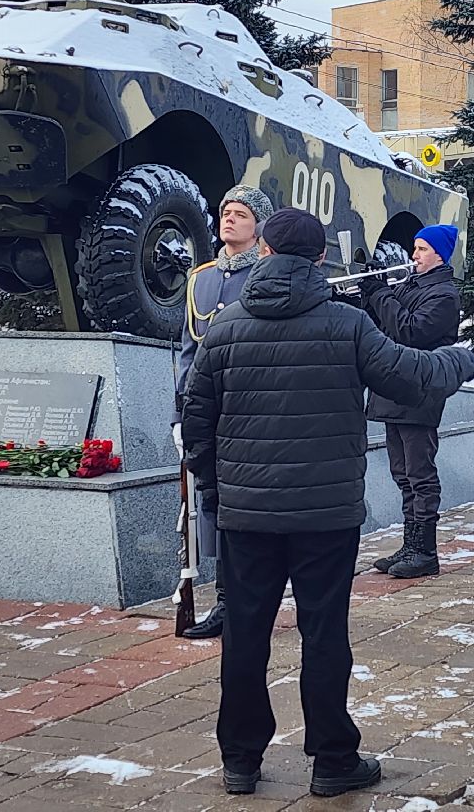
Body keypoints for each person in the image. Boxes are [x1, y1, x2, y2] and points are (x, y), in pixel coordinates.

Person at [182, 208, 474, 798]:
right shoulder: (346, 324)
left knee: (244, 635)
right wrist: (463, 357)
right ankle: (333, 760)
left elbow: (197, 420)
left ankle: (240, 759)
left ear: (263, 252)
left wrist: (218, 495)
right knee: (323, 635)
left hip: (247, 515)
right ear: (321, 259)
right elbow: (412, 375)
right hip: (326, 515)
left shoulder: (225, 325)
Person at [172, 183, 274, 640]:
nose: (228, 219)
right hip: (207, 412)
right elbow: (188, 352)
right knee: (212, 510)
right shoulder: (203, 277)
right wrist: (181, 413)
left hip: (249, 410)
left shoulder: (268, 275)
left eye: (241, 215)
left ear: (259, 229)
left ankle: (249, 601)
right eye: (225, 211)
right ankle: (227, 603)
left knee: (249, 513)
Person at [360, 224, 463, 579]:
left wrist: (379, 296)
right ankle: (410, 544)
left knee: (420, 473)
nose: (414, 255)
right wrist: (367, 294)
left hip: (419, 389)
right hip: (393, 387)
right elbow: (381, 327)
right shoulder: (410, 285)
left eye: (420, 249)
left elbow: (410, 331)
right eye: (414, 248)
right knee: (402, 473)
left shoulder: (444, 296)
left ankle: (426, 550)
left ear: (438, 254)